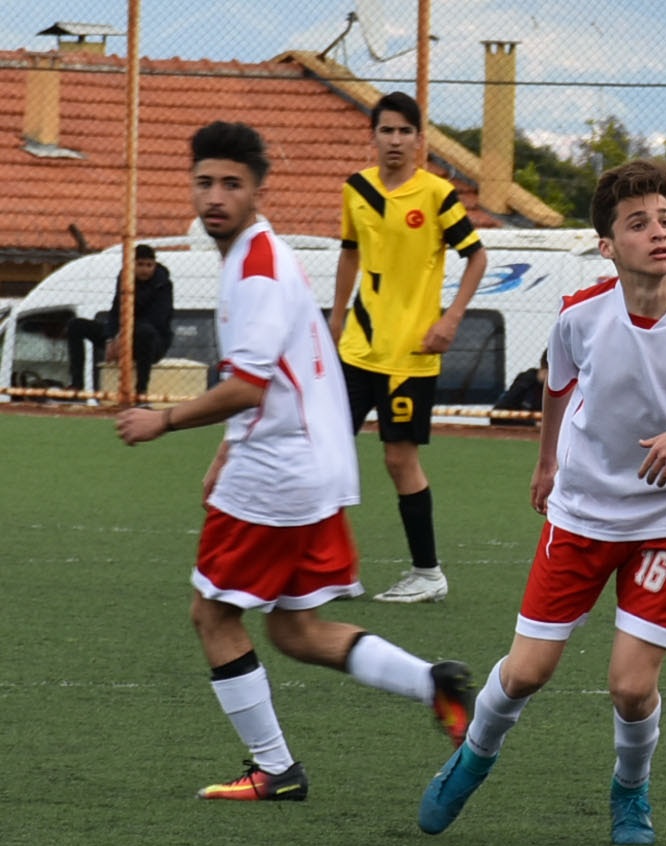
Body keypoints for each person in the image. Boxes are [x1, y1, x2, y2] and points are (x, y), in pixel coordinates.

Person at [417, 159, 666, 846]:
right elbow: (556, 384)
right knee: (526, 673)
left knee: (629, 688)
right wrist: (547, 461)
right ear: (608, 246)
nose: (658, 233)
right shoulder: (581, 314)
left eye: (665, 220)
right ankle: (471, 760)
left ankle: (631, 792)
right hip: (583, 514)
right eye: (637, 223)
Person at [113, 122, 470, 803]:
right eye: (205, 182)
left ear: (257, 190)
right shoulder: (260, 255)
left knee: (212, 615)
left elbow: (248, 386)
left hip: (278, 468)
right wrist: (226, 450)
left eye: (231, 184)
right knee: (294, 629)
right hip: (309, 462)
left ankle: (275, 769)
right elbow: (271, 374)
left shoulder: (254, 270)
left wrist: (162, 420)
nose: (215, 196)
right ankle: (433, 684)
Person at [330, 91, 488, 605]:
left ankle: (427, 573)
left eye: (404, 131)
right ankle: (330, 569)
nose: (395, 140)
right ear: (372, 135)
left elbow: (477, 257)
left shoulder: (438, 195)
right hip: (358, 347)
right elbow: (350, 254)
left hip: (411, 354)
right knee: (325, 453)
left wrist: (451, 319)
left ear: (420, 139)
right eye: (386, 130)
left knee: (399, 460)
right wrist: (335, 319)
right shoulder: (355, 189)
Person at [73, 243, 176, 394]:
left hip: (152, 342)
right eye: (140, 264)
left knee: (145, 331)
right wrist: (110, 338)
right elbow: (115, 311)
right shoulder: (124, 279)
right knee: (76, 325)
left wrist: (123, 335)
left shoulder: (163, 285)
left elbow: (158, 320)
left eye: (149, 265)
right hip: (122, 337)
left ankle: (141, 392)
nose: (145, 270)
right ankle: (76, 386)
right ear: (132, 264)